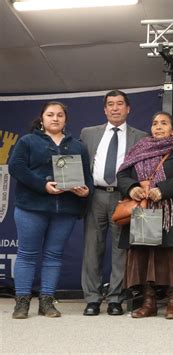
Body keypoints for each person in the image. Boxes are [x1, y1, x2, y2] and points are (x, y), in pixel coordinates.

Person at [9, 101, 93, 319]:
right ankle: (22, 302)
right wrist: (42, 185)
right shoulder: (28, 141)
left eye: (60, 115)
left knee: (53, 256)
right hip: (31, 207)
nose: (55, 118)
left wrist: (86, 191)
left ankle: (47, 301)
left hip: (64, 209)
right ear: (42, 118)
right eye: (50, 115)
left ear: (66, 119)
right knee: (27, 255)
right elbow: (16, 167)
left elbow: (87, 176)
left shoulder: (77, 146)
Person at [116, 111, 173, 319]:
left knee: (172, 257)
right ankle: (148, 302)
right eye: (154, 123)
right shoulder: (138, 149)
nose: (158, 126)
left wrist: (162, 189)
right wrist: (132, 188)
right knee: (145, 255)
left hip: (170, 213)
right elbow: (122, 175)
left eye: (164, 123)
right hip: (144, 211)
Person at [80, 90, 147, 316]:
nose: (115, 108)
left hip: (124, 197)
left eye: (120, 104)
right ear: (104, 109)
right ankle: (92, 298)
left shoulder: (141, 136)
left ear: (128, 109)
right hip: (95, 195)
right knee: (92, 248)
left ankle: (116, 298)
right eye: (111, 104)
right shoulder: (88, 133)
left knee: (121, 250)